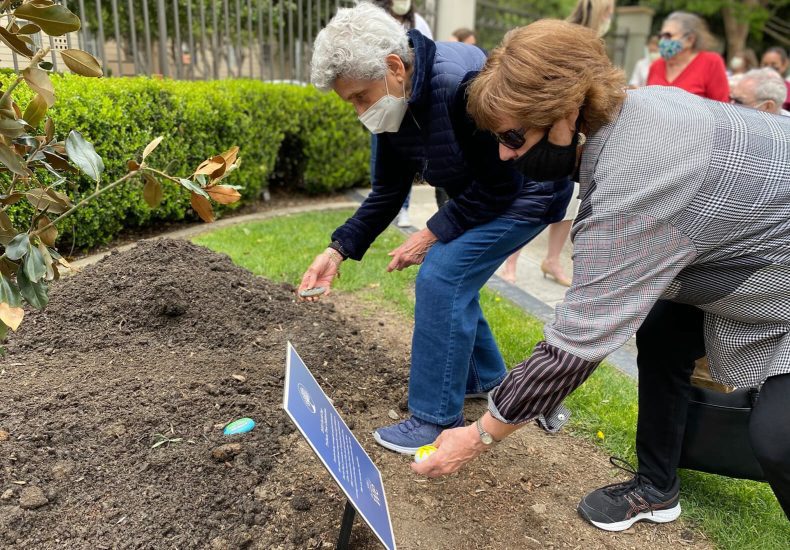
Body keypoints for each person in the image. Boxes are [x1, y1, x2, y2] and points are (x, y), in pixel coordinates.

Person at [413, 19, 790, 532]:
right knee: (662, 332)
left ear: (567, 114)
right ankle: (658, 489)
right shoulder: (632, 110)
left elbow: (576, 343)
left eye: (512, 136)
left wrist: (478, 434)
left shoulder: (633, 187)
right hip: (745, 248)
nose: (504, 154)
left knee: (779, 436)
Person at [300, 5, 572, 454]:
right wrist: (337, 252)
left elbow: (501, 184)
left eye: (360, 97)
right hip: (479, 195)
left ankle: (434, 418)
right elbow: (387, 192)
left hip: (526, 194)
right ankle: (485, 380)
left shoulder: (458, 85)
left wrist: (430, 234)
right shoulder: (391, 102)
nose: (358, 110)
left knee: (442, 278)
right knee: (454, 279)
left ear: (393, 67)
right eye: (349, 101)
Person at [501, 0, 614, 286]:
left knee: (565, 205)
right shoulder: (564, 37)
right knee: (533, 197)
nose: (612, 14)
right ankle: (511, 260)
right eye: (610, 8)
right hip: (549, 133)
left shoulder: (596, 42)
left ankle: (552, 259)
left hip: (575, 137)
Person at [371, 0, 434, 227]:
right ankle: (384, 210)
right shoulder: (375, 21)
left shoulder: (419, 23)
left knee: (409, 161)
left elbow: (427, 55)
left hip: (408, 102)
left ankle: (403, 208)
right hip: (383, 102)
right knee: (383, 163)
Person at [647, 12, 729, 102]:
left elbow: (721, 106)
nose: (662, 41)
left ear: (690, 40)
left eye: (668, 36)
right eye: (661, 36)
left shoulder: (711, 62)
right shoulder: (656, 66)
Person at [761, 46, 790, 111]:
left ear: (784, 65)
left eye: (773, 64)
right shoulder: (752, 87)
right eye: (765, 64)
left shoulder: (789, 90)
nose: (768, 68)